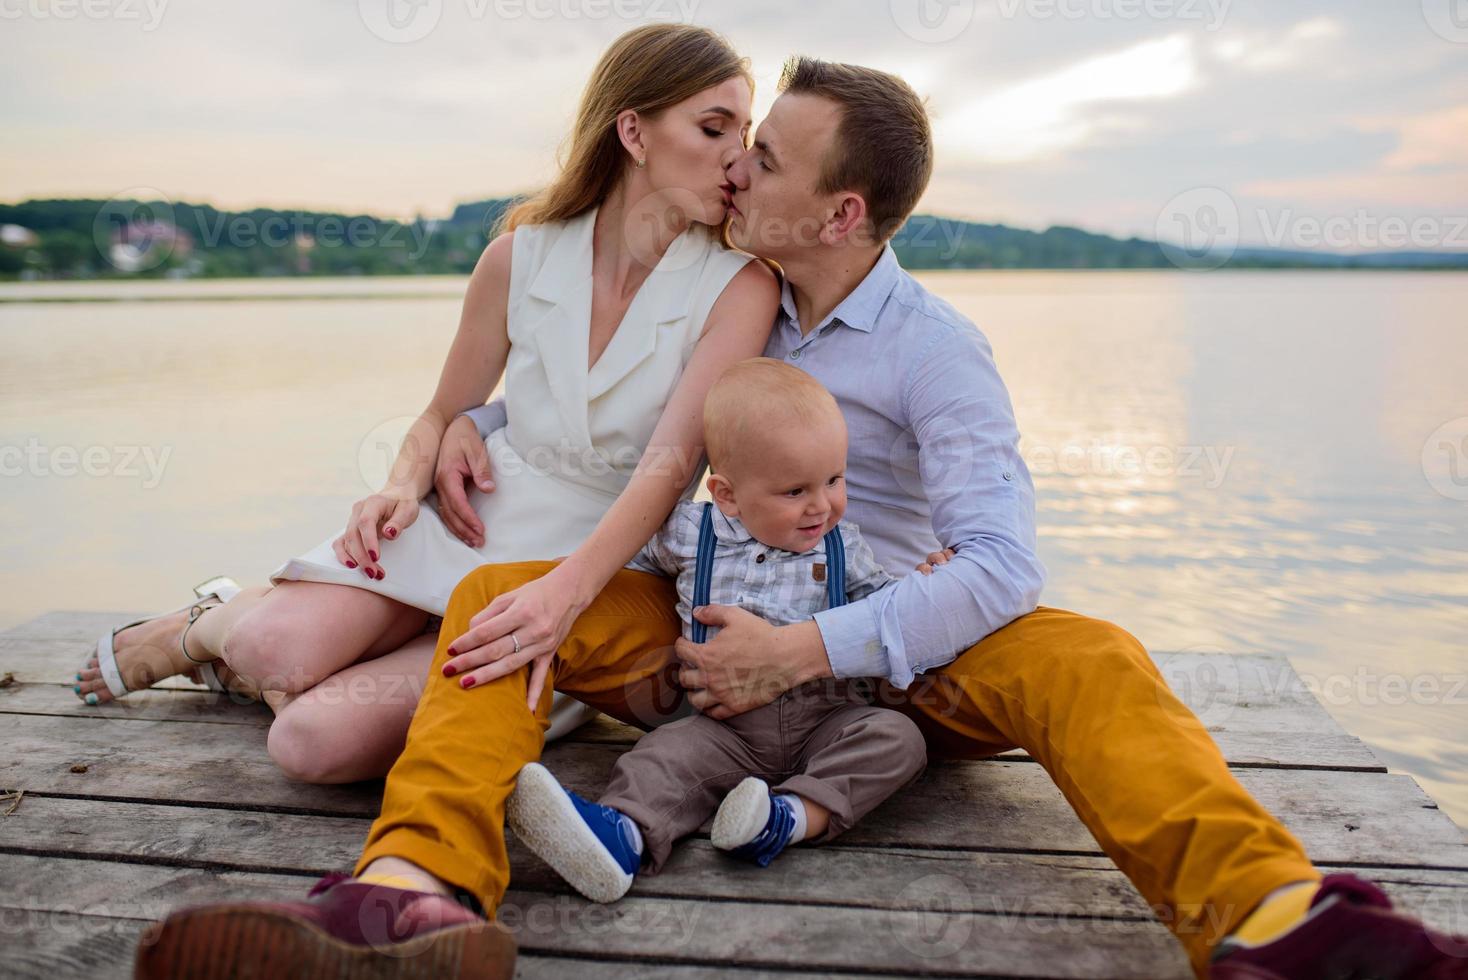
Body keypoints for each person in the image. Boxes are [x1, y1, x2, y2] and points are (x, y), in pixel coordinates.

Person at [138, 57, 1468, 980]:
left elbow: (1004, 561)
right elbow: (588, 421)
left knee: (1091, 654)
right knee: (507, 600)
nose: (740, 170)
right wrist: (462, 433)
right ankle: (415, 895)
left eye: (763, 156)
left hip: (896, 662)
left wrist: (816, 651)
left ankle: (1278, 921)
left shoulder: (936, 350)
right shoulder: (733, 298)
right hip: (699, 635)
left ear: (839, 210)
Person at [77, 22, 778, 789]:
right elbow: (442, 412)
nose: (737, 158)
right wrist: (400, 487)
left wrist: (561, 596)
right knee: (273, 648)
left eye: (743, 133)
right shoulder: (520, 256)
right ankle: (206, 624)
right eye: (714, 129)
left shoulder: (740, 287)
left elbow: (666, 473)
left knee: (312, 745)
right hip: (471, 511)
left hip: (585, 563)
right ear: (633, 132)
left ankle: (295, 662)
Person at [508, 358, 929, 903]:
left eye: (834, 479)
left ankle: (790, 817)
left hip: (826, 717)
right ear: (726, 494)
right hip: (723, 728)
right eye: (795, 491)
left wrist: (923, 582)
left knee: (897, 739)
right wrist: (564, 585)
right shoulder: (689, 534)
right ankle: (621, 835)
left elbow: (882, 608)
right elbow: (621, 562)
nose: (822, 505)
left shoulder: (843, 546)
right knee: (661, 756)